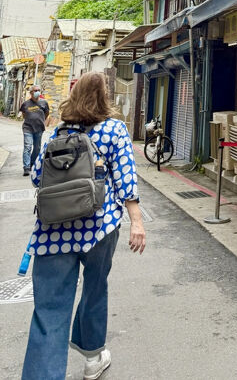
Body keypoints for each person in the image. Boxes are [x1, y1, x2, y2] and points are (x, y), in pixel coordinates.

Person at [22, 72, 146, 380]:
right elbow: (126, 180)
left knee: (49, 309)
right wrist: (137, 223)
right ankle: (92, 359)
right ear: (105, 96)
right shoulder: (114, 129)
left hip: (52, 232)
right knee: (94, 289)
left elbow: (38, 176)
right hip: (99, 227)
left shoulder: (57, 132)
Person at [19, 86, 50, 176]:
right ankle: (26, 167)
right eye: (35, 91)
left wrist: (41, 121)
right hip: (27, 128)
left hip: (39, 128)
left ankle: (32, 163)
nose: (37, 92)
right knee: (27, 147)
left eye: (38, 90)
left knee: (37, 148)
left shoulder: (44, 102)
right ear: (31, 93)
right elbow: (24, 115)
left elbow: (47, 113)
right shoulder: (25, 104)